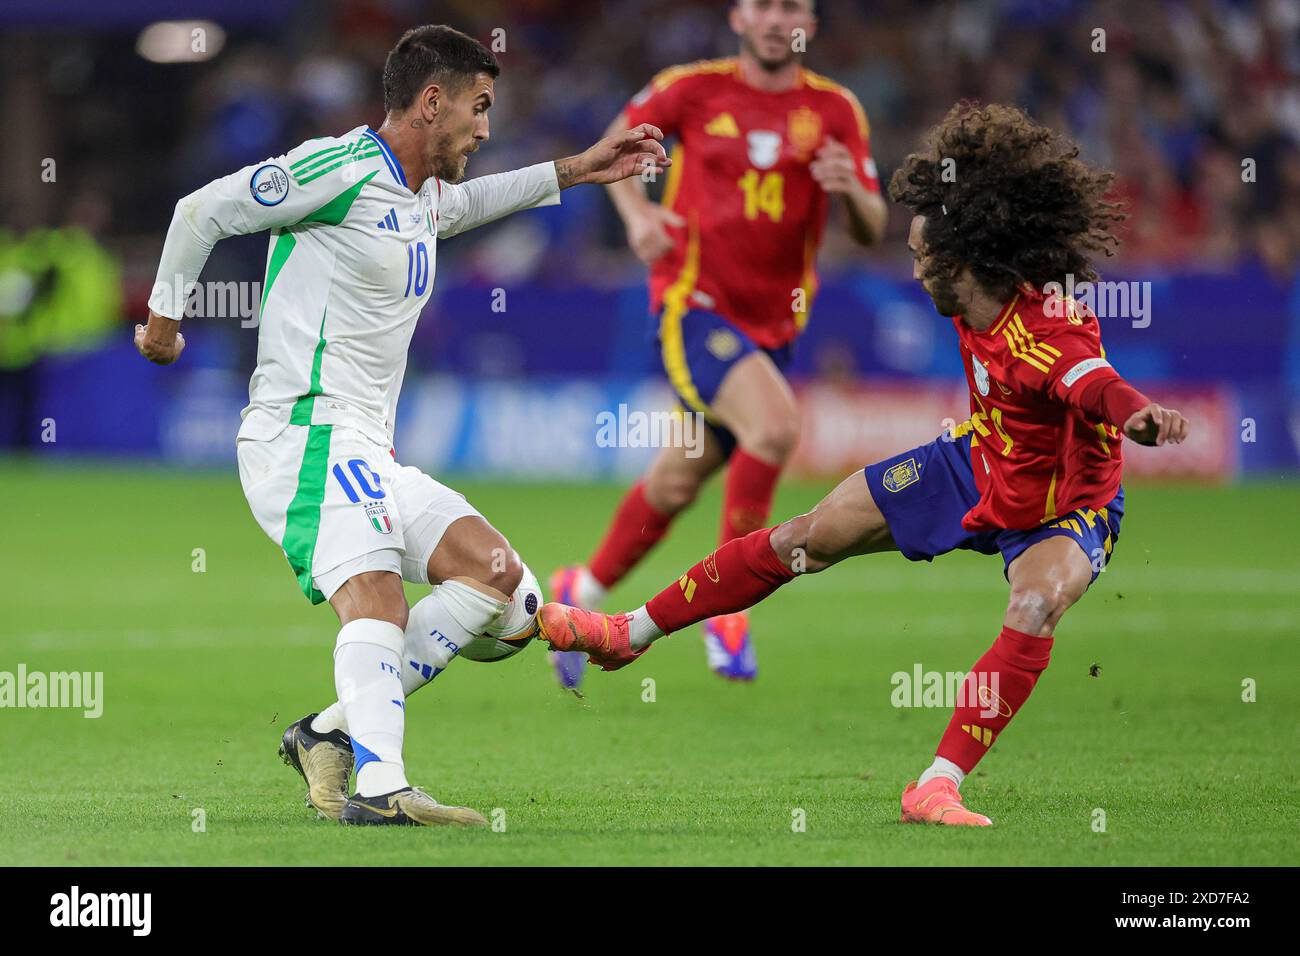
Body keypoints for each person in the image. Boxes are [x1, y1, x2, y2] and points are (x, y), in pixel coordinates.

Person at [536, 103, 1190, 826]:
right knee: (803, 537)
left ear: (962, 265)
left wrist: (1137, 414)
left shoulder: (1045, 332)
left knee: (1034, 605)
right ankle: (628, 634)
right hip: (977, 461)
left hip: (1066, 504)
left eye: (920, 259)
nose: (913, 272)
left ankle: (936, 785)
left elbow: (1090, 379)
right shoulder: (973, 294)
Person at [135, 24, 669, 826]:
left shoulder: (420, 197)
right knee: (376, 595)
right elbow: (201, 209)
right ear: (431, 102)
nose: (486, 128)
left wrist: (580, 171)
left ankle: (326, 731)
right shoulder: (339, 166)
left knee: (500, 587)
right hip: (304, 434)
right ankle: (383, 789)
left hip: (365, 449)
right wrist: (164, 320)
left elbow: (471, 202)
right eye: (479, 108)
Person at [550, 0, 886, 688]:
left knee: (678, 479)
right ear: (739, 17)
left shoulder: (836, 110)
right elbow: (614, 144)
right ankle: (726, 609)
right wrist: (639, 216)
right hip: (693, 306)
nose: (776, 18)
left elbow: (873, 228)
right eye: (764, 4)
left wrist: (851, 191)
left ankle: (578, 590)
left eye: (792, 7)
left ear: (809, 25)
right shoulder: (691, 88)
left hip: (775, 331)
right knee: (775, 427)